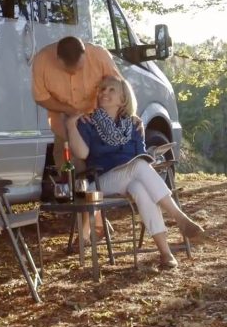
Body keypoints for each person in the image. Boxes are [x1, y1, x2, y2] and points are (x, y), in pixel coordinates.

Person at [66, 75, 205, 270]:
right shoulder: (88, 123)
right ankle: (179, 217)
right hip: (100, 182)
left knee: (140, 188)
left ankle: (165, 253)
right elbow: (82, 154)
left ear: (123, 99)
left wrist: (152, 155)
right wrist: (71, 125)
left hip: (130, 179)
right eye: (102, 89)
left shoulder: (133, 125)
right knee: (139, 167)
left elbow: (142, 156)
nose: (104, 93)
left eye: (111, 90)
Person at [32, 36, 120, 167]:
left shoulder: (100, 55)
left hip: (99, 124)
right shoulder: (42, 61)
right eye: (68, 70)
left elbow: (120, 89)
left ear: (85, 53)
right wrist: (70, 110)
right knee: (69, 169)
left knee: (104, 168)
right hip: (64, 125)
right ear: (58, 60)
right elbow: (41, 97)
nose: (74, 73)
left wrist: (129, 117)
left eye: (80, 68)